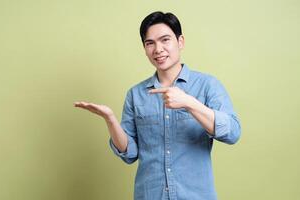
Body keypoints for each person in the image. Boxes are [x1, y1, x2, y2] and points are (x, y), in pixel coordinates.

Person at [74, 11, 241, 200]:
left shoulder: (207, 85)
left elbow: (233, 132)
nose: (158, 49)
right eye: (150, 43)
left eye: (165, 40)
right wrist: (110, 120)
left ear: (180, 42)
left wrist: (189, 102)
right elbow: (130, 154)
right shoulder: (135, 94)